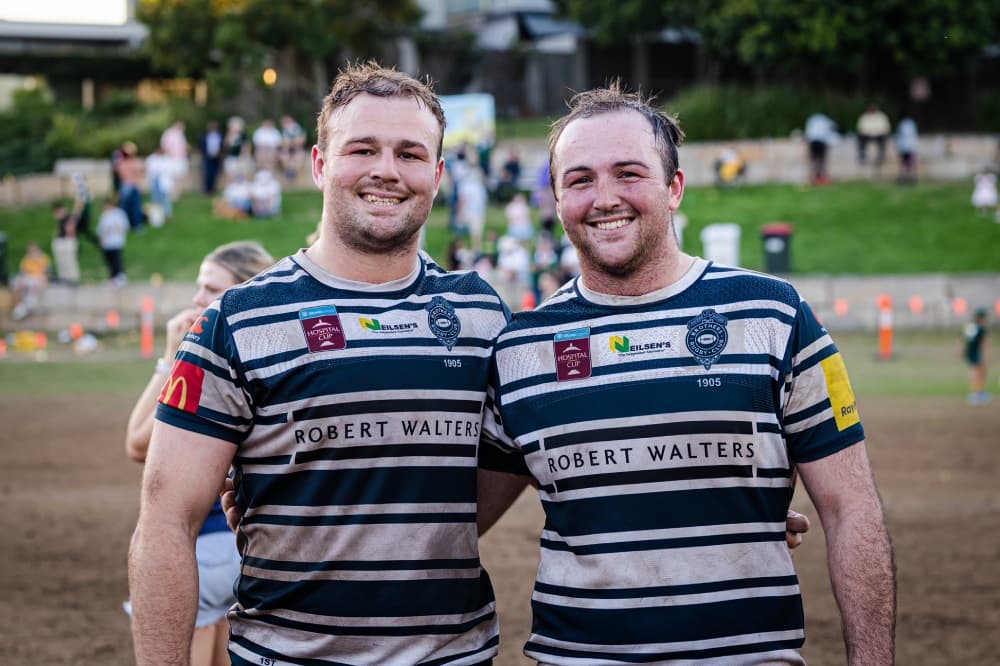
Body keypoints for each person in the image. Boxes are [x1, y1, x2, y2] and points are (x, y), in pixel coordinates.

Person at [478, 84, 896, 664]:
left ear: (674, 188)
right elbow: (452, 519)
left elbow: (851, 508)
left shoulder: (773, 315)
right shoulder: (521, 350)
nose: (605, 198)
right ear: (555, 199)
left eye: (629, 174)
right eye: (579, 179)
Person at [128, 62, 514, 666]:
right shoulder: (236, 319)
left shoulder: (481, 315)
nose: (386, 170)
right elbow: (164, 521)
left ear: (437, 175)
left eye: (410, 154)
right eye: (362, 148)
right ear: (319, 163)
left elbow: (495, 476)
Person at [125, 241, 274, 666]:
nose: (197, 300)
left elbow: (138, 442)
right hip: (253, 550)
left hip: (205, 548)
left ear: (239, 292)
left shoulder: (217, 356)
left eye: (209, 289)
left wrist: (173, 357)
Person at [10, 242, 51, 321]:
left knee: (34, 285)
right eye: (30, 251)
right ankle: (20, 307)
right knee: (18, 283)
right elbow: (23, 272)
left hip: (39, 278)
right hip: (29, 278)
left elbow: (46, 273)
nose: (32, 252)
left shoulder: (44, 258)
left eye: (33, 250)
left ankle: (29, 307)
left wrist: (43, 279)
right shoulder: (26, 259)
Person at [96, 198, 130, 284]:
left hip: (116, 241)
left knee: (117, 259)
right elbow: (101, 229)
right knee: (109, 260)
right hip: (107, 242)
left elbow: (124, 226)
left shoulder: (119, 214)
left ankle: (120, 276)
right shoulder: (105, 215)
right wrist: (101, 239)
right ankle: (112, 277)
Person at [964, 308, 991, 405]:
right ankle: (977, 394)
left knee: (979, 372)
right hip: (975, 353)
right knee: (979, 372)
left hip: (971, 352)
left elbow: (967, 340)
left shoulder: (972, 326)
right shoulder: (980, 328)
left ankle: (979, 392)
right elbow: (982, 343)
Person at [50, 201, 80, 285]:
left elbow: (77, 210)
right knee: (62, 262)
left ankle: (72, 278)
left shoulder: (69, 217)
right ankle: (64, 278)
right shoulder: (61, 220)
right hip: (61, 242)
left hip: (67, 242)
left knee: (69, 261)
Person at [804, 112, 838, 185]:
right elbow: (832, 130)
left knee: (814, 161)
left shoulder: (812, 119)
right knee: (822, 161)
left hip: (813, 141)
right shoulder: (827, 120)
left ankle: (814, 178)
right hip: (822, 141)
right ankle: (821, 178)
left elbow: (808, 132)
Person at [856, 104, 891, 168]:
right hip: (867, 135)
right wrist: (868, 132)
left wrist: (878, 132)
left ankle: (881, 156)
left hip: (879, 134)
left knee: (883, 139)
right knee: (860, 138)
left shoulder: (881, 116)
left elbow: (886, 127)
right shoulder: (865, 116)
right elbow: (860, 128)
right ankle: (862, 155)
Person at [279, 114, 307, 182]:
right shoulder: (283, 131)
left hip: (297, 150)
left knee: (298, 158)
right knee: (284, 157)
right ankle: (290, 172)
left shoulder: (298, 129)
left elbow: (301, 141)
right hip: (288, 150)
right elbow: (283, 143)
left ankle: (293, 174)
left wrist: (290, 142)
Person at [200, 121, 224, 194]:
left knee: (215, 173)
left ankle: (213, 188)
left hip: (217, 157)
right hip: (208, 157)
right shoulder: (205, 136)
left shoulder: (220, 136)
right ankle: (207, 189)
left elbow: (223, 146)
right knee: (208, 173)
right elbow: (201, 145)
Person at [895, 112, 918, 183]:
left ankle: (905, 178)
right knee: (909, 164)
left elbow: (899, 136)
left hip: (905, 147)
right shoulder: (911, 124)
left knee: (904, 164)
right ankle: (909, 178)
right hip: (909, 147)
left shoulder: (902, 124)